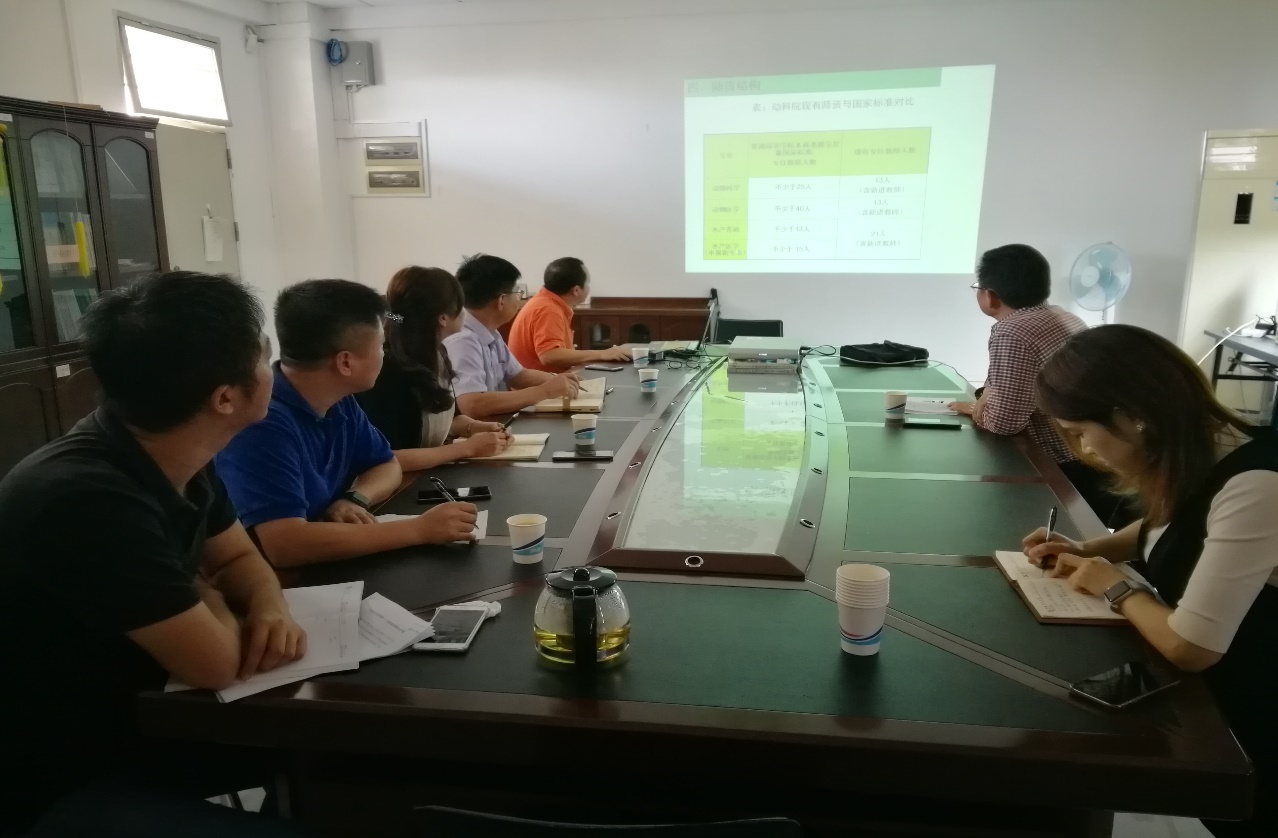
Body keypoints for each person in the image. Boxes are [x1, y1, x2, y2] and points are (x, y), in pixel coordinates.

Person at [0, 272, 311, 835]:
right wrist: (200, 588)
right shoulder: (83, 498)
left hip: (151, 718)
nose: (272, 367)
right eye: (263, 355)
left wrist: (266, 605)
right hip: (68, 774)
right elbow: (216, 663)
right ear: (225, 398)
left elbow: (240, 561)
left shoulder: (175, 448)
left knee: (364, 767)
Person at [1023, 325, 1278, 838]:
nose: (1083, 448)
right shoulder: (1204, 451)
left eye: (1080, 432)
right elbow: (1171, 524)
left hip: (1255, 718)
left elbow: (1191, 646)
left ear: (1131, 416)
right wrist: (1087, 550)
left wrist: (1117, 588)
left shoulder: (1256, 484)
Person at [216, 279, 478, 568]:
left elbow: (386, 464)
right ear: (345, 362)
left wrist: (355, 499)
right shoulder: (262, 423)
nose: (385, 353)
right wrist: (419, 529)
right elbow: (285, 544)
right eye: (380, 346)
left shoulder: (339, 399)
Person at [949, 243, 1129, 526]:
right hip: (1091, 458)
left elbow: (1005, 423)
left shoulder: (1012, 332)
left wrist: (976, 409)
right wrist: (986, 399)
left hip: (1060, 468)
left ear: (990, 296)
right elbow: (996, 389)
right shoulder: (1064, 316)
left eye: (978, 288)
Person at [357, 266, 513, 469]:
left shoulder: (437, 353)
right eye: (460, 305)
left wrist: (475, 427)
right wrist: (467, 448)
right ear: (443, 318)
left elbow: (445, 415)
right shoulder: (387, 370)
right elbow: (386, 458)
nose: (465, 312)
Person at [443, 253, 582, 417]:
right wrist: (544, 391)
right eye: (518, 292)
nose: (519, 298)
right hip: (475, 428)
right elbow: (471, 404)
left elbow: (518, 375)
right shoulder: (462, 340)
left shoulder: (489, 330)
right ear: (501, 300)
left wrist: (561, 381)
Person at [507, 256, 631, 372]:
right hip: (540, 385)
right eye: (587, 283)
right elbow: (549, 355)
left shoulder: (546, 302)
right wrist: (602, 354)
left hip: (551, 380)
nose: (589, 287)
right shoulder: (548, 309)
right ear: (576, 290)